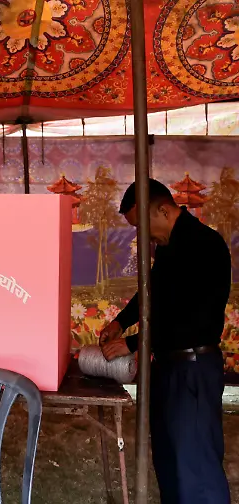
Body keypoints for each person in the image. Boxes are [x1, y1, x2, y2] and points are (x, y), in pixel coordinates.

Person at [100, 178, 231, 504]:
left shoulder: (204, 245)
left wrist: (131, 344)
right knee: (169, 461)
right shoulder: (169, 248)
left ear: (163, 209)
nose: (142, 236)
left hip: (193, 368)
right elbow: (152, 294)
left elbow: (188, 317)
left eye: (142, 226)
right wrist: (121, 321)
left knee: (195, 464)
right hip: (168, 368)